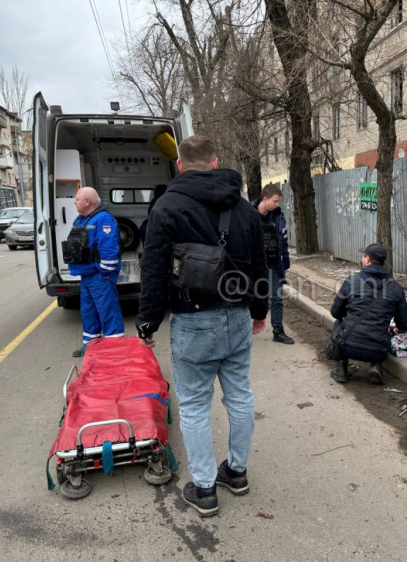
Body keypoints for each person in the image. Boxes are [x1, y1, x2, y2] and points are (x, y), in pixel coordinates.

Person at [136, 135, 269, 518]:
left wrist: (148, 322)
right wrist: (259, 310)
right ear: (215, 163)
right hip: (238, 315)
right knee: (240, 396)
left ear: (179, 165)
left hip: (193, 320)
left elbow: (155, 270)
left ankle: (205, 488)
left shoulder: (167, 207)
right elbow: (260, 266)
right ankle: (237, 473)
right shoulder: (244, 209)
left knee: (194, 405)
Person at [329, 243, 407, 384]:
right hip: (378, 349)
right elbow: (405, 324)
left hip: (348, 345)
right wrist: (394, 327)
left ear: (367, 259)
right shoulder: (396, 288)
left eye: (364, 256)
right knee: (382, 329)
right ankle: (375, 366)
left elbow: (336, 313)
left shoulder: (351, 282)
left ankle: (341, 367)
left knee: (339, 323)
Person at [64, 187, 124, 358]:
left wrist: (105, 273)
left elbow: (109, 249)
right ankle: (91, 347)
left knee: (108, 310)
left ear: (87, 202)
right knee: (88, 311)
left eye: (77, 199)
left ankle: (114, 349)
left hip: (100, 276)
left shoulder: (103, 219)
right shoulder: (81, 219)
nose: (74, 202)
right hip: (87, 274)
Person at [251, 185, 293, 345]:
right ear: (265, 199)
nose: (277, 204)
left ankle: (278, 331)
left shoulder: (277, 217)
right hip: (252, 264)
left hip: (273, 263)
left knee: (276, 298)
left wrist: (285, 263)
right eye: (275, 201)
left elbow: (284, 241)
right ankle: (242, 332)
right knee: (249, 297)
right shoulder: (248, 214)